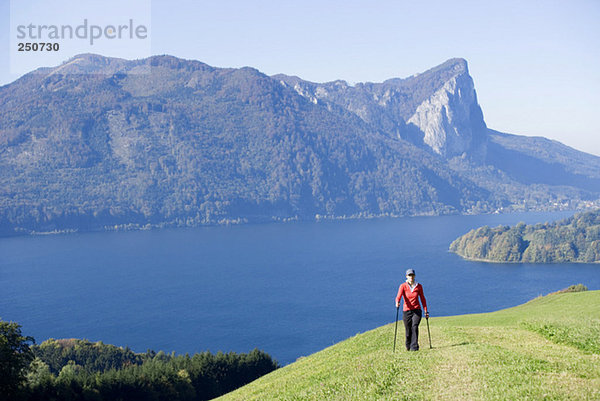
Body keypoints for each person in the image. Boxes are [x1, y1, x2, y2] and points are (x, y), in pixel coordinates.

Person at [395, 268, 428, 351]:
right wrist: (397, 302)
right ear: (406, 276)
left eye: (412, 275)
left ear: (414, 276)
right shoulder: (403, 286)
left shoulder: (419, 286)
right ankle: (408, 345)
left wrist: (425, 310)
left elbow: (423, 299)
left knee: (415, 326)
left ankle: (414, 347)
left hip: (417, 310)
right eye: (409, 275)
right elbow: (398, 296)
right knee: (408, 330)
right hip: (407, 311)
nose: (411, 277)